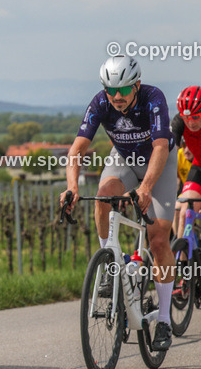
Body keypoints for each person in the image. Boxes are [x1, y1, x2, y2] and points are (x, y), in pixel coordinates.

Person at [62, 55, 176, 350]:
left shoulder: (153, 98)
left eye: (123, 90)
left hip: (157, 162)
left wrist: (147, 186)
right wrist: (72, 186)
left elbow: (161, 146)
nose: (116, 97)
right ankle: (111, 264)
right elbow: (77, 148)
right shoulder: (101, 102)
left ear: (136, 85)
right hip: (124, 158)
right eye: (110, 90)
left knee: (159, 239)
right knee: (103, 196)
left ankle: (163, 318)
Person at [172, 85, 201, 239]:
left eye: (195, 117)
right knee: (184, 210)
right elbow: (168, 154)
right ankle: (183, 261)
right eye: (186, 117)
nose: (190, 123)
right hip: (199, 166)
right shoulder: (179, 122)